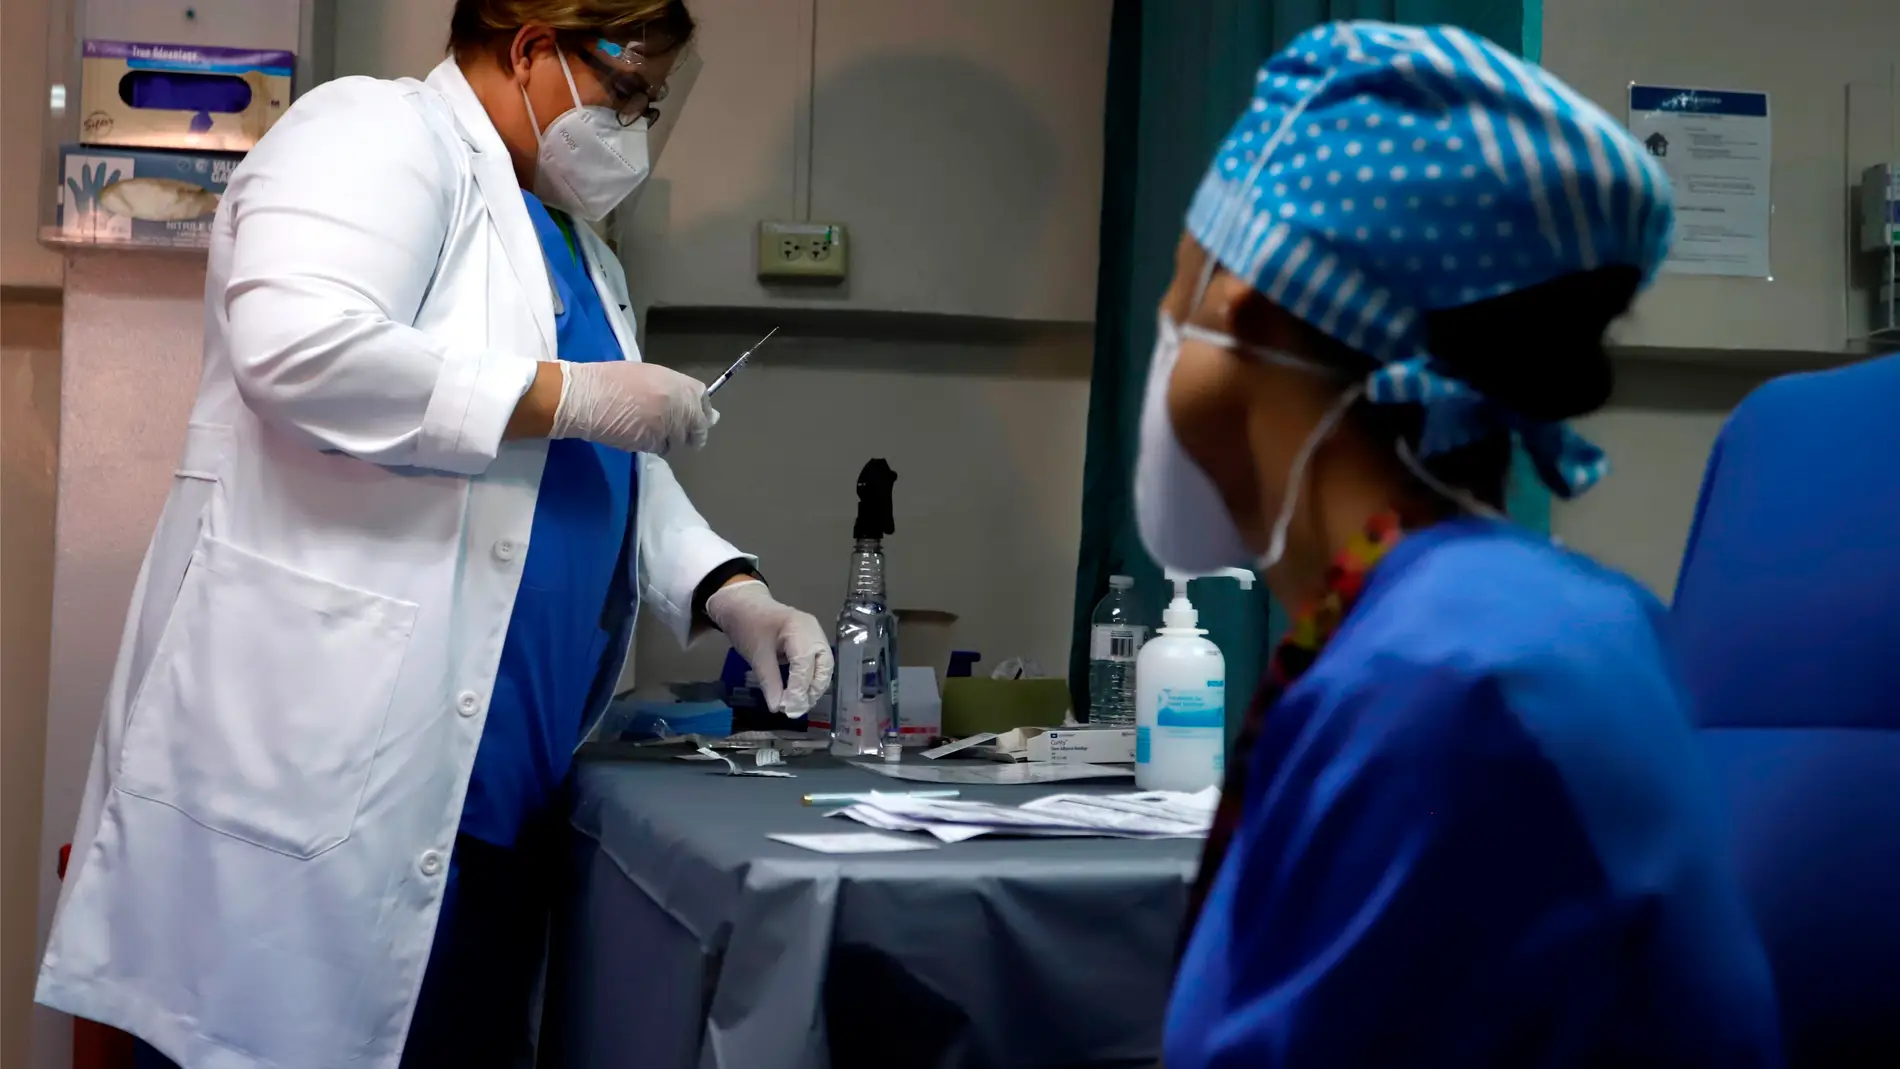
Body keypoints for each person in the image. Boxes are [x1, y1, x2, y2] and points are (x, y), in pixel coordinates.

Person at [36, 2, 834, 1067]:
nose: (637, 128)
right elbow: (298, 346)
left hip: (492, 803)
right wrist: (576, 394)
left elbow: (601, 470)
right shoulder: (371, 131)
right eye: (629, 94)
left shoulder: (573, 249)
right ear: (534, 47)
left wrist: (730, 591)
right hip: (333, 785)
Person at [1138, 22, 1783, 1068]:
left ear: (1242, 314)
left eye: (1178, 289)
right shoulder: (1478, 621)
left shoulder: (1447, 684)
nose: (1167, 341)